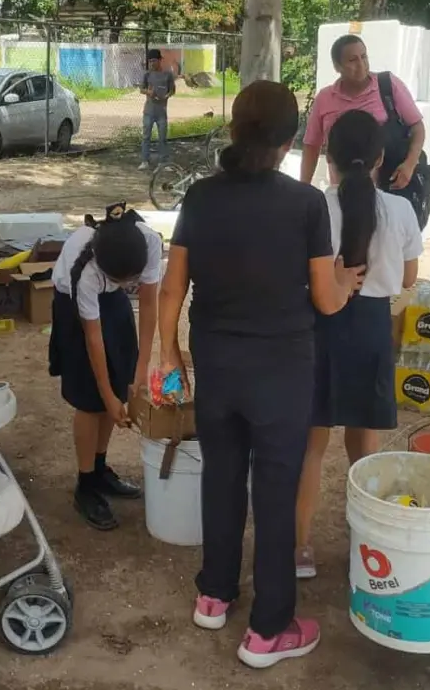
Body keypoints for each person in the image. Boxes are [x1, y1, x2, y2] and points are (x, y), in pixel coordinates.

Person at [157, 81, 363, 670]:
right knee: (274, 491)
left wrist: (167, 352)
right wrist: (347, 284)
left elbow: (174, 285)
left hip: (217, 362)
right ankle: (269, 629)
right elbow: (324, 300)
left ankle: (215, 594)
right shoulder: (305, 204)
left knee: (220, 475)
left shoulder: (199, 197)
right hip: (281, 370)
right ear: (290, 139)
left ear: (233, 130)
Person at [294, 109, 422, 580]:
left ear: (326, 155)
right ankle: (367, 546)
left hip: (319, 328)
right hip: (372, 331)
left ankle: (299, 549)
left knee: (311, 446)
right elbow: (408, 279)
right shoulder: (402, 210)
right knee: (365, 448)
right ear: (381, 158)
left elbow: (300, 276)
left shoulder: (310, 206)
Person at [47, 202, 163, 531]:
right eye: (125, 281)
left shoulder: (148, 242)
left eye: (133, 282)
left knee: (120, 376)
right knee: (91, 399)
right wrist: (110, 398)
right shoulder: (84, 272)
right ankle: (85, 485)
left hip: (109, 298)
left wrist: (140, 370)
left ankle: (99, 469)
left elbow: (150, 301)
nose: (133, 286)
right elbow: (93, 341)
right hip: (74, 304)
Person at [299, 35, 426, 210]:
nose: (361, 64)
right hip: (342, 197)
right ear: (337, 66)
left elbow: (417, 126)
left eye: (364, 56)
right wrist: (303, 188)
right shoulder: (325, 98)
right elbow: (312, 145)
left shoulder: (388, 86)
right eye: (352, 60)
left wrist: (410, 164)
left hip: (388, 190)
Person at [139, 49, 176, 170]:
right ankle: (145, 161)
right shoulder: (147, 74)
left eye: (154, 61)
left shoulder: (167, 74)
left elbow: (172, 90)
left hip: (161, 112)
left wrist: (167, 95)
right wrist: (148, 92)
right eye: (150, 61)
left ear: (160, 60)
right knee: (146, 137)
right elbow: (141, 89)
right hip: (148, 111)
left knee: (162, 138)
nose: (152, 63)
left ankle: (163, 163)